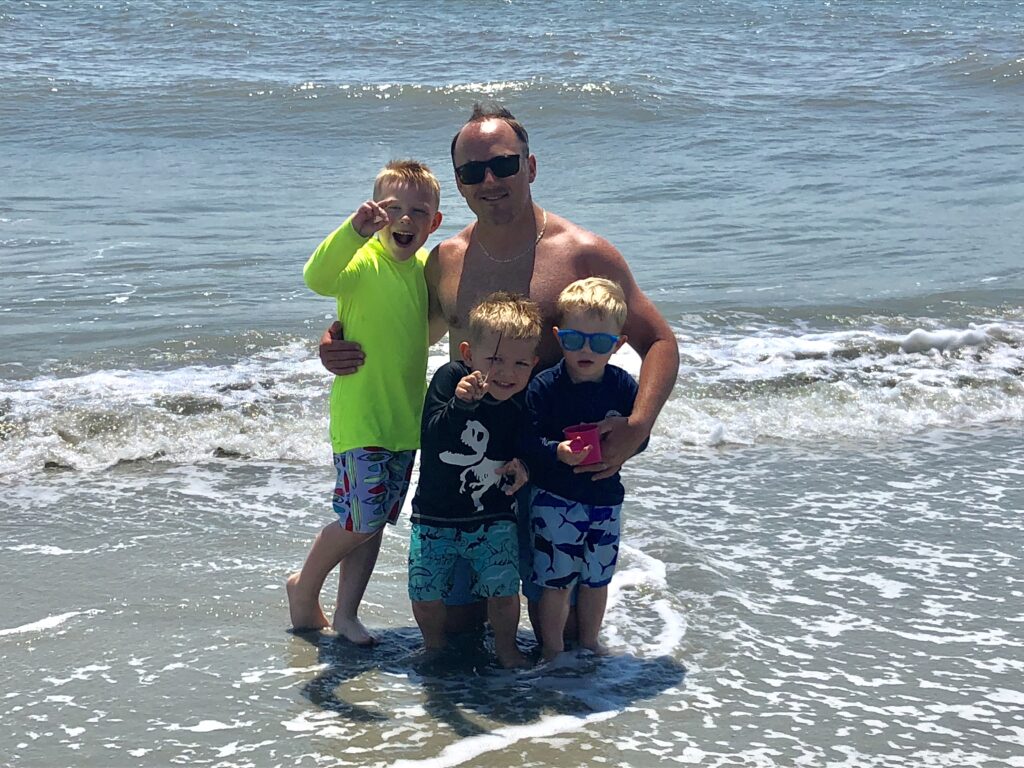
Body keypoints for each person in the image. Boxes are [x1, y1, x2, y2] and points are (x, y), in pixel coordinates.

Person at [318, 103, 680, 635]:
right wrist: (336, 340)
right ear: (459, 185)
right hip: (469, 464)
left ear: (529, 167)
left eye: (503, 164)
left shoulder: (582, 254)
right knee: (458, 637)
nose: (489, 180)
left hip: (554, 465)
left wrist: (638, 425)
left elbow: (660, 341)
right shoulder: (446, 259)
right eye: (472, 171)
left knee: (567, 640)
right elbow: (399, 331)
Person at [287, 159, 443, 644]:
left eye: (420, 211)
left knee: (372, 525)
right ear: (376, 212)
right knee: (361, 519)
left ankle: (347, 613)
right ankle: (303, 587)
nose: (406, 219)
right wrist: (353, 231)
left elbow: (431, 329)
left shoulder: (425, 270)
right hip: (360, 419)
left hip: (404, 422)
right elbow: (316, 276)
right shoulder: (360, 261)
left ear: (435, 222)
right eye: (393, 208)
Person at [407, 292, 538, 669]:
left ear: (533, 364)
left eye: (519, 363)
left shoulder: (523, 397)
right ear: (468, 354)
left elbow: (531, 443)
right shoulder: (450, 379)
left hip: (494, 514)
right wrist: (461, 405)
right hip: (435, 515)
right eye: (495, 360)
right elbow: (433, 437)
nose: (506, 373)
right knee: (425, 591)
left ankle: (506, 648)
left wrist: (526, 465)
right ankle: (433, 645)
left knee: (503, 589)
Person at [525, 277, 643, 660]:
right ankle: (552, 650)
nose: (586, 349)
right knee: (556, 581)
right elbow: (526, 440)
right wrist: (556, 451)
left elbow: (640, 438)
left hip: (605, 500)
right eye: (575, 339)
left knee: (597, 579)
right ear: (558, 337)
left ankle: (590, 644)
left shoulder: (623, 387)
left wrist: (626, 437)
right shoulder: (545, 386)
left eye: (600, 343)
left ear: (618, 344)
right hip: (555, 499)